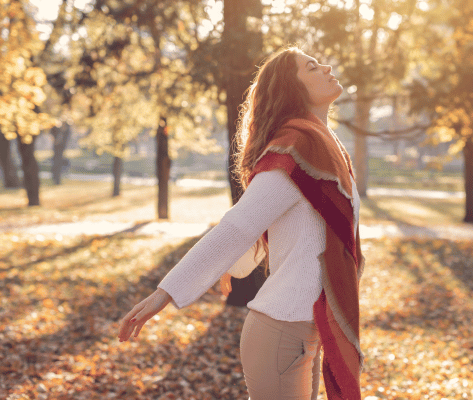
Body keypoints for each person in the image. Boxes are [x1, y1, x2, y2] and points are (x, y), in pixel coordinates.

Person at [118, 46, 365, 400]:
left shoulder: (328, 150)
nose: (326, 67)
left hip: (307, 330)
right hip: (282, 332)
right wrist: (166, 293)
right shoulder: (295, 149)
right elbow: (238, 227)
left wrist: (233, 267)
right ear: (291, 89)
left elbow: (279, 235)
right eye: (312, 67)